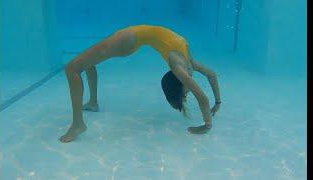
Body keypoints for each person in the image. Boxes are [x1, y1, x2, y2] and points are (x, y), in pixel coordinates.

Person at [60, 24, 221, 143]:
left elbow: (210, 77)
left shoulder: (188, 63)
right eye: (185, 93)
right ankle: (86, 112)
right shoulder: (180, 66)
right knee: (75, 67)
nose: (188, 93)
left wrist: (217, 103)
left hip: (130, 37)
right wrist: (208, 124)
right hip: (128, 39)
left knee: (74, 67)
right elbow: (203, 95)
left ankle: (82, 118)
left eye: (185, 94)